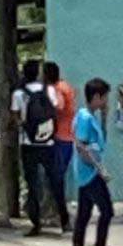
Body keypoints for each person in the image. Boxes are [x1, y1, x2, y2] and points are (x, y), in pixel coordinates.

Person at [69, 79, 122, 246]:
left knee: (84, 215)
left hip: (88, 171)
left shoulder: (91, 117)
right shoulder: (84, 117)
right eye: (105, 97)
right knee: (106, 211)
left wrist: (106, 115)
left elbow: (101, 141)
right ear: (97, 97)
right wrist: (99, 168)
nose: (107, 100)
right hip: (89, 172)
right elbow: (81, 146)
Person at [12, 59, 70, 238]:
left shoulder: (19, 94)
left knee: (32, 185)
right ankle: (65, 220)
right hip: (49, 143)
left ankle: (36, 224)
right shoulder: (49, 90)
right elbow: (54, 110)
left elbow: (15, 118)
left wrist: (24, 124)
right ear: (38, 73)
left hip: (28, 144)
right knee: (56, 182)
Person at [44, 61, 77, 197]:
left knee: (56, 173)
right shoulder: (65, 86)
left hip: (60, 136)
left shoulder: (57, 88)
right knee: (59, 172)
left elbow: (60, 105)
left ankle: (57, 204)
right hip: (67, 135)